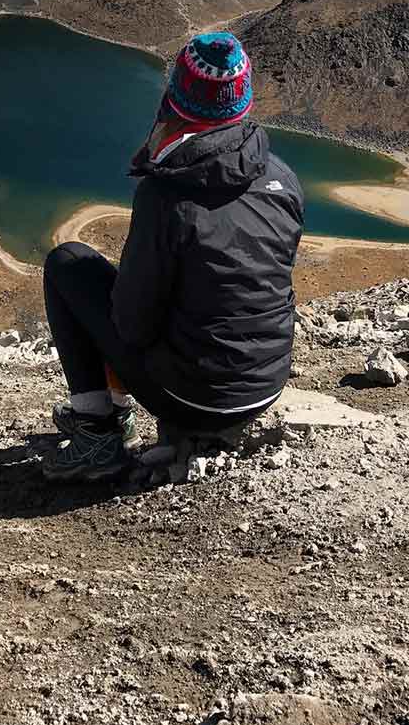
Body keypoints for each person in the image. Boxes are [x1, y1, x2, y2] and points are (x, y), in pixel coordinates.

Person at [41, 31, 304, 482]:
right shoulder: (282, 177)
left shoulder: (167, 196)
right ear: (243, 103)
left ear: (177, 100)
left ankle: (98, 433)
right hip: (265, 386)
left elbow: (131, 324)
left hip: (198, 398)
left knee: (69, 264)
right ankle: (146, 420)